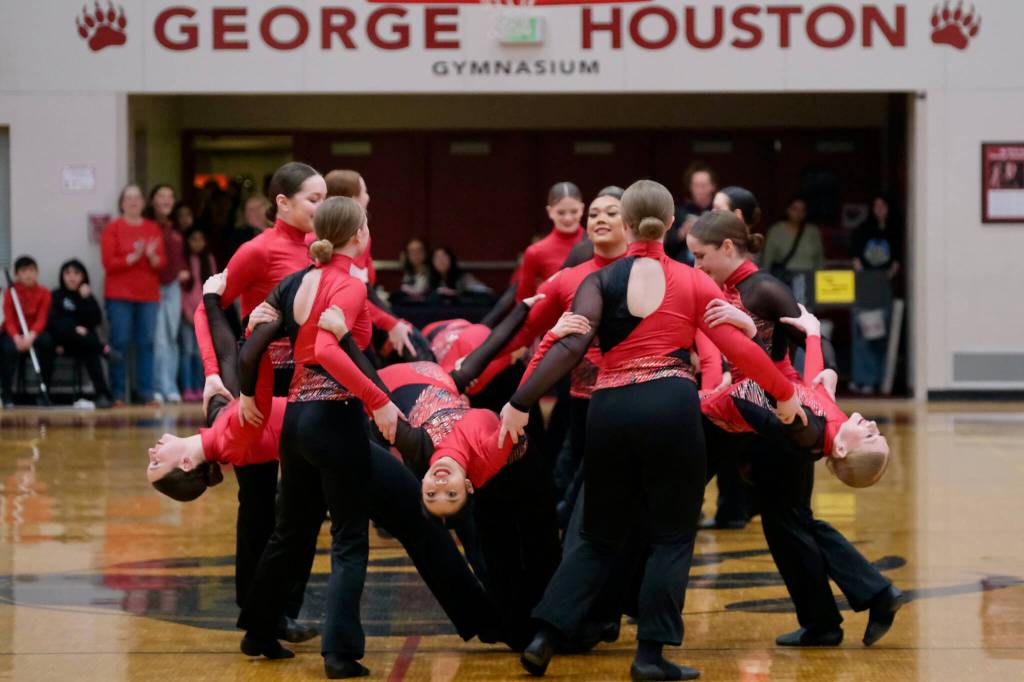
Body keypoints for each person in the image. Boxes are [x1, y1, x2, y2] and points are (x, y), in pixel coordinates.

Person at [500, 180, 801, 681]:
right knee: (672, 536)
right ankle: (650, 656)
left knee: (596, 535)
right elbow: (739, 351)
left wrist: (519, 401)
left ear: (625, 222)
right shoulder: (693, 280)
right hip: (670, 407)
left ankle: (545, 636)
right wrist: (786, 396)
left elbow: (570, 346)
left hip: (609, 407)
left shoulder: (597, 281)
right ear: (672, 224)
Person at [148, 271, 498, 653]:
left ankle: (259, 628)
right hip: (333, 435)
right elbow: (246, 360)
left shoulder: (218, 423)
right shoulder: (234, 435)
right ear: (184, 464)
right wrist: (271, 321)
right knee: (411, 520)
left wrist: (212, 319)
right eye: (155, 465)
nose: (151, 454)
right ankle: (486, 621)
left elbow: (224, 353)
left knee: (291, 538)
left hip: (316, 444)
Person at [687, 210, 902, 649]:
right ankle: (857, 603)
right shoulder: (726, 286)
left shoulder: (764, 287)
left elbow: (806, 340)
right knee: (790, 522)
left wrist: (822, 364)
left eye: (700, 255)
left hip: (767, 416)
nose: (696, 265)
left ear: (728, 246)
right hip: (765, 411)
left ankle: (841, 613)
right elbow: (812, 350)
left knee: (787, 521)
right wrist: (822, 375)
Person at [235, 196, 404, 679]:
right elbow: (329, 352)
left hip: (297, 420)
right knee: (349, 538)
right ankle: (341, 653)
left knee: (291, 531)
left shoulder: (296, 281)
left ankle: (259, 630)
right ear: (358, 235)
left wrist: (251, 392)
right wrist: (379, 400)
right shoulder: (345, 283)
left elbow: (252, 336)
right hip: (334, 417)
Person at [324, 168, 417, 358]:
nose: (368, 197)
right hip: (346, 322)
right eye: (364, 192)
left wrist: (393, 323)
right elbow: (354, 296)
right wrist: (390, 324)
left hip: (367, 312)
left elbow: (368, 291)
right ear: (351, 198)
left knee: (415, 343)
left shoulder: (362, 236)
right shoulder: (326, 244)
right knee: (412, 352)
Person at [101, 184, 165, 405]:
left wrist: (151, 256)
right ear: (122, 203)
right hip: (119, 295)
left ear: (143, 203)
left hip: (148, 296)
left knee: (147, 343)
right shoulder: (113, 228)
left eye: (137, 197)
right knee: (119, 342)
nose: (133, 202)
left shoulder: (152, 227)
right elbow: (108, 263)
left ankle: (145, 393)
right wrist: (134, 256)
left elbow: (161, 264)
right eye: (128, 198)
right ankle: (118, 394)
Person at [849, 193, 902, 395]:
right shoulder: (863, 230)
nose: (879, 209)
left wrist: (884, 278)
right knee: (862, 332)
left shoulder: (894, 231)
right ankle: (860, 379)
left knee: (879, 333)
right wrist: (868, 279)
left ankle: (877, 379)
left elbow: (896, 262)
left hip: (883, 287)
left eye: (883, 205)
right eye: (876, 205)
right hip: (864, 285)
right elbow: (856, 259)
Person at [47, 259, 113, 408]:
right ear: (62, 275)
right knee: (87, 338)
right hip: (61, 342)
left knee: (89, 346)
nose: (72, 277)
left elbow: (94, 320)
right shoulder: (56, 295)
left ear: (83, 276)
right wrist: (74, 328)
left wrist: (86, 299)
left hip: (82, 343)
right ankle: (103, 349)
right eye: (68, 273)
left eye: (76, 273)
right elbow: (53, 322)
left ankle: (102, 394)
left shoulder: (86, 295)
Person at [146, 184, 187, 404]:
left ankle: (170, 386)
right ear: (153, 200)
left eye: (170, 195)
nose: (167, 199)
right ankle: (159, 387)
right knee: (159, 340)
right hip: (154, 286)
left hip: (173, 286)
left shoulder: (175, 226)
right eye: (162, 195)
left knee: (172, 338)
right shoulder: (149, 226)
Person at [516, 182, 585, 301]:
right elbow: (524, 300)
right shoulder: (536, 252)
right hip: (554, 318)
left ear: (582, 209)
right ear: (549, 212)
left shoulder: (598, 243)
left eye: (574, 211)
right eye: (561, 212)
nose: (568, 218)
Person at [1, 256, 55, 407]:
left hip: (34, 333)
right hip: (14, 333)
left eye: (31, 270)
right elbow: (9, 319)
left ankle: (44, 392)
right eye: (24, 271)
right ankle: (6, 396)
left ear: (37, 272)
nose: (28, 274)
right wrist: (17, 338)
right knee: (7, 348)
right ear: (17, 275)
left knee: (47, 343)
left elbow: (42, 318)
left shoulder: (44, 293)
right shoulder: (10, 293)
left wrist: (31, 336)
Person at [179, 228, 217, 403]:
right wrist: (187, 312)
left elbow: (215, 287)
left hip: (204, 314)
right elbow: (182, 292)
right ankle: (187, 388)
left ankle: (201, 387)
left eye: (201, 239)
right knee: (187, 352)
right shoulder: (184, 261)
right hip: (188, 315)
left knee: (201, 353)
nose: (197, 243)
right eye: (194, 239)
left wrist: (210, 312)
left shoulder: (208, 260)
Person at [760, 195, 826, 279]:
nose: (798, 213)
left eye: (802, 210)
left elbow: (819, 259)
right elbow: (768, 257)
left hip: (809, 276)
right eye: (795, 209)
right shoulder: (776, 230)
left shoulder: (813, 231)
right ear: (788, 210)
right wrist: (765, 279)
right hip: (785, 277)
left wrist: (820, 277)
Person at [664, 162, 716, 264]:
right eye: (695, 185)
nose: (699, 190)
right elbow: (665, 244)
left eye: (703, 185)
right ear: (690, 187)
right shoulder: (679, 212)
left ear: (712, 186)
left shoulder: (718, 211)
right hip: (683, 263)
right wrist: (681, 233)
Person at [221, 194, 270, 265]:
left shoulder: (281, 230)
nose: (256, 212)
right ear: (245, 215)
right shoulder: (239, 237)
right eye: (251, 210)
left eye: (259, 207)